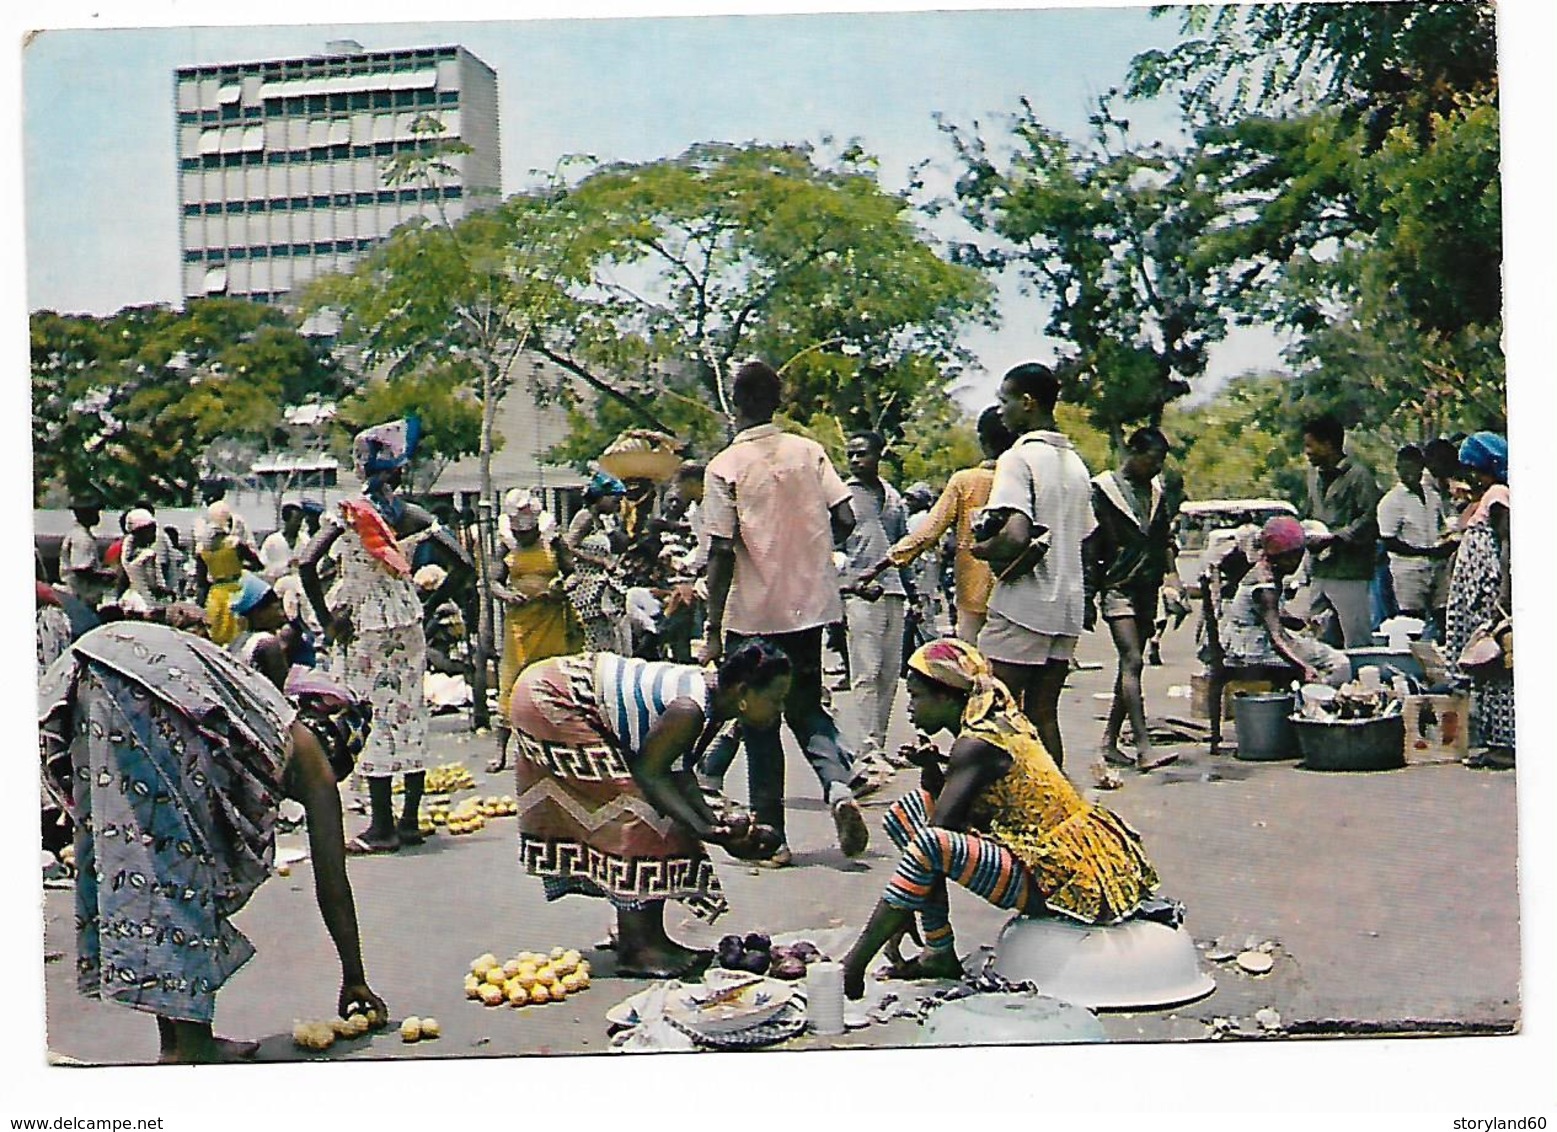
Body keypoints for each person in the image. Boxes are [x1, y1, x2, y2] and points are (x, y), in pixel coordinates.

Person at [38, 619, 387, 1063]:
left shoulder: (260, 715)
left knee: (153, 861)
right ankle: (193, 1046)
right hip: (137, 681)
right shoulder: (311, 757)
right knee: (178, 864)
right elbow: (332, 881)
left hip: (95, 665)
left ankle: (179, 1041)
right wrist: (354, 976)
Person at [840, 637, 1161, 1000]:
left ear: (947, 696)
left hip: (1062, 875)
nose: (909, 708)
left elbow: (939, 834)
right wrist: (932, 769)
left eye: (916, 696)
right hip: (1045, 853)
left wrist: (900, 911)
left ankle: (854, 965)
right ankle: (938, 951)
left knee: (927, 844)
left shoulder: (978, 743)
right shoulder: (992, 721)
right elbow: (944, 809)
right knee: (907, 813)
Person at [508, 641, 790, 977]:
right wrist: (702, 829)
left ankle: (641, 935)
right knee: (641, 815)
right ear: (744, 691)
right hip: (551, 698)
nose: (779, 711)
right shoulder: (691, 708)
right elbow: (650, 772)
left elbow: (681, 773)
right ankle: (638, 947)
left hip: (565, 691)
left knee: (661, 813)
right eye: (774, 700)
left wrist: (716, 828)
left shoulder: (715, 707)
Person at [699, 359, 868, 865]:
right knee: (807, 706)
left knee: (759, 726)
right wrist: (812, 556)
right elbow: (846, 515)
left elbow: (722, 552)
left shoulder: (724, 467)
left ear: (736, 405)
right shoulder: (809, 452)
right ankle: (837, 786)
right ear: (779, 401)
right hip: (809, 610)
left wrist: (711, 628)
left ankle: (772, 838)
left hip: (751, 617)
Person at [300, 417, 461, 854]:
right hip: (405, 622)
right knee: (408, 714)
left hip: (364, 625)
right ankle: (408, 822)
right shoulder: (411, 514)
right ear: (399, 470)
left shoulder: (349, 512)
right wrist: (428, 604)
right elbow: (462, 562)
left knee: (370, 715)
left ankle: (381, 826)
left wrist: (326, 619)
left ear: (359, 467)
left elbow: (305, 563)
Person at [971, 361, 1096, 767]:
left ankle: (988, 810)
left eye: (1004, 401)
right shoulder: (1077, 466)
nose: (1001, 410)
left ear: (1027, 403)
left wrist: (981, 550)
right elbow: (1087, 538)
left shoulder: (1017, 458)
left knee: (991, 711)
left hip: (1023, 604)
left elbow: (1016, 535)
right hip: (1066, 609)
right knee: (1044, 715)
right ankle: (1054, 810)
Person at [859, 406, 1018, 646]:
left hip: (974, 594)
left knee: (973, 669)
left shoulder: (966, 481)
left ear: (982, 440)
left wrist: (880, 565)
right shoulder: (1026, 478)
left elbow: (927, 533)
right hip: (1020, 591)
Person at [1085, 427, 1185, 771]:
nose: (1157, 468)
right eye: (1152, 460)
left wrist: (1173, 578)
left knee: (1131, 665)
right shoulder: (1103, 490)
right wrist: (1087, 596)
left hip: (1147, 586)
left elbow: (1165, 540)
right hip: (1117, 585)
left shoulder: (1156, 494)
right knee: (1133, 661)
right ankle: (1143, 747)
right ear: (1133, 453)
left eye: (1161, 462)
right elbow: (1091, 546)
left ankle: (1110, 742)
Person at [488, 488, 584, 773]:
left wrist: (561, 588)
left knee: (555, 679)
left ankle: (564, 743)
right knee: (513, 680)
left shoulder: (552, 542)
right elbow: (493, 581)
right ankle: (501, 749)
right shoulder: (505, 545)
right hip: (521, 622)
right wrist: (507, 595)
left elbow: (573, 574)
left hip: (552, 618)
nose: (524, 538)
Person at [838, 430, 912, 792]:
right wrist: (849, 581)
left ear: (879, 454)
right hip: (861, 594)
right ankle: (866, 750)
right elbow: (830, 548)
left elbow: (905, 544)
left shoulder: (894, 497)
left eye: (862, 454)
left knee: (888, 674)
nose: (855, 460)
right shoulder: (844, 497)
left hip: (895, 590)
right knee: (865, 673)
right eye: (850, 454)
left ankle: (877, 746)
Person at [1214, 516, 1352, 686]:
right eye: (1294, 556)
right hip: (1253, 650)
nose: (1297, 562)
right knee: (1339, 663)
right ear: (1283, 557)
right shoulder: (1264, 586)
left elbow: (1275, 615)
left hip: (1252, 641)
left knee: (1314, 645)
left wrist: (1303, 624)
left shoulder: (1268, 570)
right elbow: (1276, 637)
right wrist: (1304, 668)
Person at [1445, 432, 1513, 769]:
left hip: (1488, 593)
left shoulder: (1499, 495)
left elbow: (1506, 543)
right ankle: (1494, 741)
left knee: (1495, 662)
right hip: (1478, 593)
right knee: (1483, 665)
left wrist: (1502, 597)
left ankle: (1505, 744)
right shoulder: (1487, 495)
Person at [1301, 413, 1382, 649]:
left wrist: (1335, 538)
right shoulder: (1312, 476)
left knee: (1357, 639)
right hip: (1320, 570)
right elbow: (1310, 514)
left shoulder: (1359, 477)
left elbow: (1370, 520)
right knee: (1318, 637)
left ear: (1328, 444)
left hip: (1350, 572)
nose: (1307, 452)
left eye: (1310, 445)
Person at [1376, 445, 1455, 620]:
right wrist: (1424, 552)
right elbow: (1389, 541)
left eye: (1414, 466)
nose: (1409, 472)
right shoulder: (1391, 501)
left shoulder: (1432, 496)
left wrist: (1445, 544)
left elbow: (1441, 527)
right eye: (1404, 468)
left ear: (1421, 466)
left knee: (1443, 614)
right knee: (1412, 620)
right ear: (1397, 469)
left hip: (1436, 568)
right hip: (1408, 570)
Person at [194, 501, 259, 646]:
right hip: (238, 592)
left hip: (216, 594)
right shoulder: (235, 544)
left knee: (217, 639)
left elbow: (201, 582)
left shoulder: (201, 549)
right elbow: (257, 563)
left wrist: (200, 604)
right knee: (240, 638)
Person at [58, 499, 116, 610]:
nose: (98, 516)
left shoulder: (78, 534)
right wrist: (106, 576)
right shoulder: (82, 538)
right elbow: (81, 569)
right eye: (94, 512)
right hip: (80, 596)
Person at [118, 508, 171, 613]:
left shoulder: (147, 550)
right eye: (149, 530)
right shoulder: (142, 555)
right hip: (141, 600)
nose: (154, 533)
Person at [261, 498, 309, 583]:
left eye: (300, 521)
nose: (299, 524)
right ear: (286, 520)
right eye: (296, 520)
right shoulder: (272, 541)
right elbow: (264, 568)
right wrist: (286, 566)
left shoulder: (305, 540)